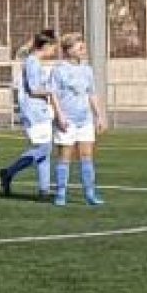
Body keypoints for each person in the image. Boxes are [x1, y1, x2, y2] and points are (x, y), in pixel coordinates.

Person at [0, 30, 59, 199]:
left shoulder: (35, 62)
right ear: (46, 46)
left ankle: (44, 190)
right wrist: (52, 92)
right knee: (43, 149)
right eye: (53, 47)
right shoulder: (32, 62)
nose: (54, 51)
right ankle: (9, 172)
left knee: (45, 151)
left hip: (40, 110)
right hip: (33, 112)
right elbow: (33, 90)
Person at [49, 33, 106, 206]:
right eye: (79, 47)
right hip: (67, 120)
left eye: (83, 46)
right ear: (68, 50)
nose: (83, 49)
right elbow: (54, 94)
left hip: (85, 120)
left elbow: (91, 94)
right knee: (65, 157)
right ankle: (60, 194)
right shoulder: (59, 70)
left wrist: (99, 116)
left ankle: (89, 193)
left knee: (87, 156)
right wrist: (60, 115)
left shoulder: (87, 69)